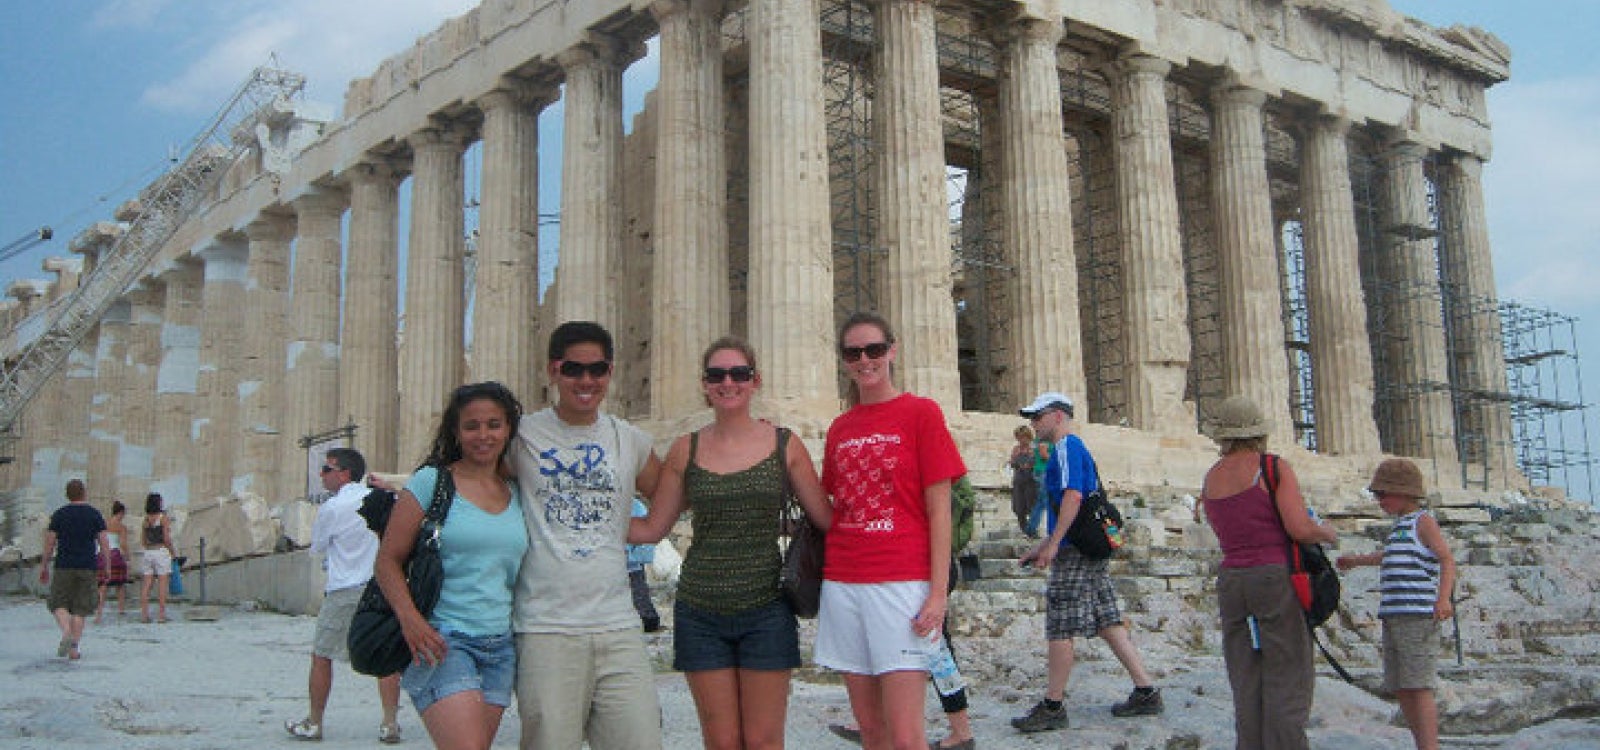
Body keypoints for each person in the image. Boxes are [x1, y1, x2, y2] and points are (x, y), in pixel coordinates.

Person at [629, 336, 833, 750]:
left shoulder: (785, 444)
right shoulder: (685, 449)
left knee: (763, 742)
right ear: (704, 384)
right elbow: (652, 528)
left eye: (739, 374)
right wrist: (582, 520)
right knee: (721, 743)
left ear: (755, 381)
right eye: (717, 375)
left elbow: (825, 519)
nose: (728, 383)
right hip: (700, 611)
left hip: (767, 609)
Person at [814, 312, 967, 750]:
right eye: (853, 352)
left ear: (892, 352)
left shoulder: (921, 413)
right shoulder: (840, 428)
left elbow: (941, 512)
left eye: (874, 350)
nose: (865, 360)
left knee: (905, 736)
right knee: (872, 732)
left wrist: (937, 595)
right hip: (843, 583)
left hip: (901, 583)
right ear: (844, 360)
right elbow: (835, 508)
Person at [509, 321, 664, 750]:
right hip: (546, 628)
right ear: (553, 371)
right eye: (573, 369)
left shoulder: (627, 438)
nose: (586, 380)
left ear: (610, 372)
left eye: (597, 369)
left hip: (618, 625)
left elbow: (665, 489)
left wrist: (647, 529)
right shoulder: (521, 435)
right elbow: (478, 482)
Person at [375, 382, 528, 750]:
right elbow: (387, 560)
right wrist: (411, 620)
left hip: (500, 643)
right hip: (443, 637)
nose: (483, 435)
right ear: (456, 432)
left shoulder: (518, 490)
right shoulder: (432, 481)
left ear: (508, 429)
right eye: (472, 426)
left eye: (494, 424)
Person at [1013, 391, 1163, 733]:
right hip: (1086, 545)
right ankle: (1146, 690)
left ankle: (1053, 706)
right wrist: (1042, 544)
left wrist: (1054, 544)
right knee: (1107, 619)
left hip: (1074, 549)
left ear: (1058, 416)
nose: (1033, 424)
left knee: (1061, 624)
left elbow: (1073, 495)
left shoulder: (1065, 447)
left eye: (1038, 417)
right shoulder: (1072, 447)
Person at [1199, 395, 1337, 750]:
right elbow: (1298, 529)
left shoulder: (1211, 477)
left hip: (1232, 580)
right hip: (1274, 577)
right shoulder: (1273, 468)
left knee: (1246, 677)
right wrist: (1327, 532)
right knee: (1288, 676)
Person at [286, 447, 404, 743]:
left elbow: (318, 546)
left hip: (344, 587)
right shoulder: (381, 498)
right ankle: (390, 723)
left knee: (322, 655)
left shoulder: (333, 508)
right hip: (380, 585)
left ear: (344, 473)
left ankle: (314, 722)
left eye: (327, 469)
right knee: (384, 656)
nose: (321, 475)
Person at [1337, 458, 1456, 750]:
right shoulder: (1399, 526)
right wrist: (1356, 561)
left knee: (1419, 684)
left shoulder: (1423, 522)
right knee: (1400, 685)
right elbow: (1387, 556)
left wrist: (1443, 598)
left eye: (1382, 495)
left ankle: (1430, 747)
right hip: (1393, 614)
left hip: (1418, 616)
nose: (1378, 501)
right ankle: (1419, 743)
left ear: (1404, 493)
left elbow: (1446, 558)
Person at [39, 479, 110, 660]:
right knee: (81, 609)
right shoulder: (94, 514)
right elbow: (103, 541)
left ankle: (66, 631)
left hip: (64, 565)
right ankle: (74, 650)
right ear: (84, 493)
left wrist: (44, 565)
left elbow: (49, 542)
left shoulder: (59, 515)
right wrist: (107, 564)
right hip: (87, 566)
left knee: (58, 604)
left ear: (67, 495)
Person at [136, 492, 177, 624]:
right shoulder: (162, 518)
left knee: (146, 584)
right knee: (162, 583)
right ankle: (161, 615)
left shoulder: (145, 520)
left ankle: (144, 614)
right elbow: (166, 538)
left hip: (148, 552)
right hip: (160, 551)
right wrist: (172, 552)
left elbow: (142, 540)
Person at [626, 497, 661, 633]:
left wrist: (632, 555)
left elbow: (647, 537)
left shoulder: (636, 507)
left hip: (632, 565)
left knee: (639, 596)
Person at [94, 500, 131, 624]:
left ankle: (99, 612)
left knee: (102, 585)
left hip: (100, 555)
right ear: (121, 513)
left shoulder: (103, 523)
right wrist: (127, 557)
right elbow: (123, 544)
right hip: (114, 554)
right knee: (120, 584)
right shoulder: (121, 527)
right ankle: (121, 610)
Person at [1009, 425, 1038, 536]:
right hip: (1018, 480)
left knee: (1030, 505)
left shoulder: (1034, 448)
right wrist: (1015, 461)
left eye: (1024, 437)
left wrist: (1030, 463)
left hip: (1030, 480)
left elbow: (1037, 462)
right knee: (1018, 506)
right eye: (1020, 438)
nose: (1022, 440)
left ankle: (1032, 529)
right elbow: (1012, 462)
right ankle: (1023, 528)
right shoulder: (1016, 449)